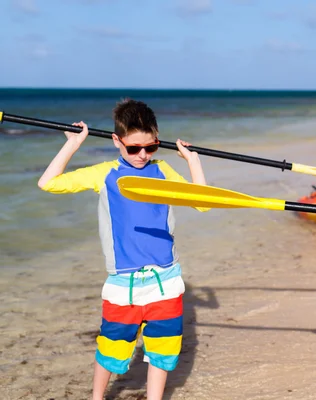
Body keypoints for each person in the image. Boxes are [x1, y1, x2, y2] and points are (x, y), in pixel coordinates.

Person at [37, 99, 208, 400]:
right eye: (133, 148)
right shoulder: (105, 173)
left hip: (165, 281)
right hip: (123, 284)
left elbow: (203, 203)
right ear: (117, 141)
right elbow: (48, 182)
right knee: (111, 350)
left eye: (151, 147)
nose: (142, 155)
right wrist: (73, 145)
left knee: (162, 351)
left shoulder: (164, 170)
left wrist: (193, 161)